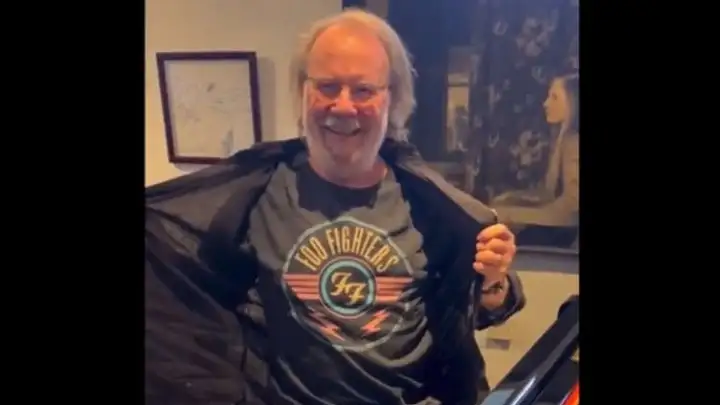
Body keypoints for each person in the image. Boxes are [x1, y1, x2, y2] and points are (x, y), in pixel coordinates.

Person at [145, 9, 526, 405]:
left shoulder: (434, 205)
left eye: (363, 90)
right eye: (327, 86)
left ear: (392, 98)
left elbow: (483, 309)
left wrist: (493, 282)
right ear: (303, 91)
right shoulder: (254, 194)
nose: (343, 107)